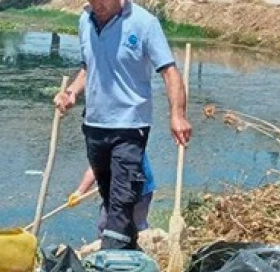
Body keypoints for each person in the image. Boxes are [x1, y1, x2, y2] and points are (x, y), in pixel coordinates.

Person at [54, 0, 190, 252]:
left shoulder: (144, 23)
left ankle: (110, 264)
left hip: (130, 127)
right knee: (109, 199)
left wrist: (177, 115)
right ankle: (128, 255)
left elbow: (169, 71)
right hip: (94, 125)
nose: (97, 5)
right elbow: (88, 67)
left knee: (121, 201)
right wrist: (72, 92)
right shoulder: (85, 20)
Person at [68, 151, 155, 241]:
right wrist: (79, 193)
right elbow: (95, 165)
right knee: (105, 226)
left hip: (139, 189)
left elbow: (95, 167)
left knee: (136, 226)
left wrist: (80, 191)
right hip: (119, 190)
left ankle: (141, 246)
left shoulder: (119, 142)